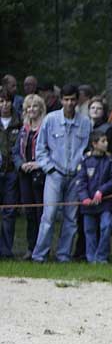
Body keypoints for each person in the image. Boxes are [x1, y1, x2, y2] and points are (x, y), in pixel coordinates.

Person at [32, 85, 91, 262]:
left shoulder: (85, 122)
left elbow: (86, 149)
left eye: (73, 99)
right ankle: (39, 255)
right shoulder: (50, 120)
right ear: (61, 100)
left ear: (77, 99)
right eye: (66, 99)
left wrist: (81, 170)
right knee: (48, 216)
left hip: (75, 176)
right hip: (54, 174)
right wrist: (48, 168)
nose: (69, 103)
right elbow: (40, 149)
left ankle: (63, 255)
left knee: (71, 218)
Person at [72, 130, 112, 263]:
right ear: (94, 144)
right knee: (89, 231)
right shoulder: (85, 161)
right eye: (103, 141)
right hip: (88, 205)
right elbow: (80, 181)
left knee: (106, 226)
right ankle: (91, 258)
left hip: (105, 203)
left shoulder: (109, 161)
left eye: (106, 141)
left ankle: (102, 256)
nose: (106, 143)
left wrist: (101, 191)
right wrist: (84, 197)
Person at [14, 94, 46, 256]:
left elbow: (51, 150)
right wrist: (21, 164)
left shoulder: (46, 127)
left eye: (34, 106)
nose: (31, 110)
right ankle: (30, 247)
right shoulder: (23, 129)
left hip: (41, 174)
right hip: (24, 174)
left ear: (40, 108)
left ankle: (41, 250)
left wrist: (38, 164)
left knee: (41, 213)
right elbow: (15, 152)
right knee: (29, 213)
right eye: (28, 107)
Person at [0, 89, 21, 258]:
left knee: (9, 212)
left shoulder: (19, 121)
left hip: (11, 173)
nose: (4, 104)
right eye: (1, 101)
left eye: (7, 101)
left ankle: (6, 250)